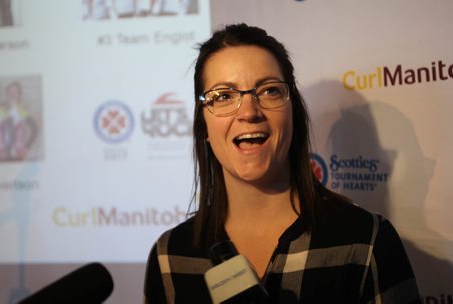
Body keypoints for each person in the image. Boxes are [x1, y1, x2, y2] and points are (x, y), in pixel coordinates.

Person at [143, 24, 421, 303]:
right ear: (203, 124)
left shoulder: (366, 242)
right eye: (223, 96)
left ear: (293, 113)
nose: (249, 112)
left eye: (269, 91)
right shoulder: (169, 257)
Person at [5, 81, 38, 161]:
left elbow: (35, 129)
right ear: (7, 94)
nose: (13, 94)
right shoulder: (3, 109)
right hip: (4, 152)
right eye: (11, 91)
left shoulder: (22, 109)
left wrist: (27, 147)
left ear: (19, 95)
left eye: (15, 92)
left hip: (18, 152)